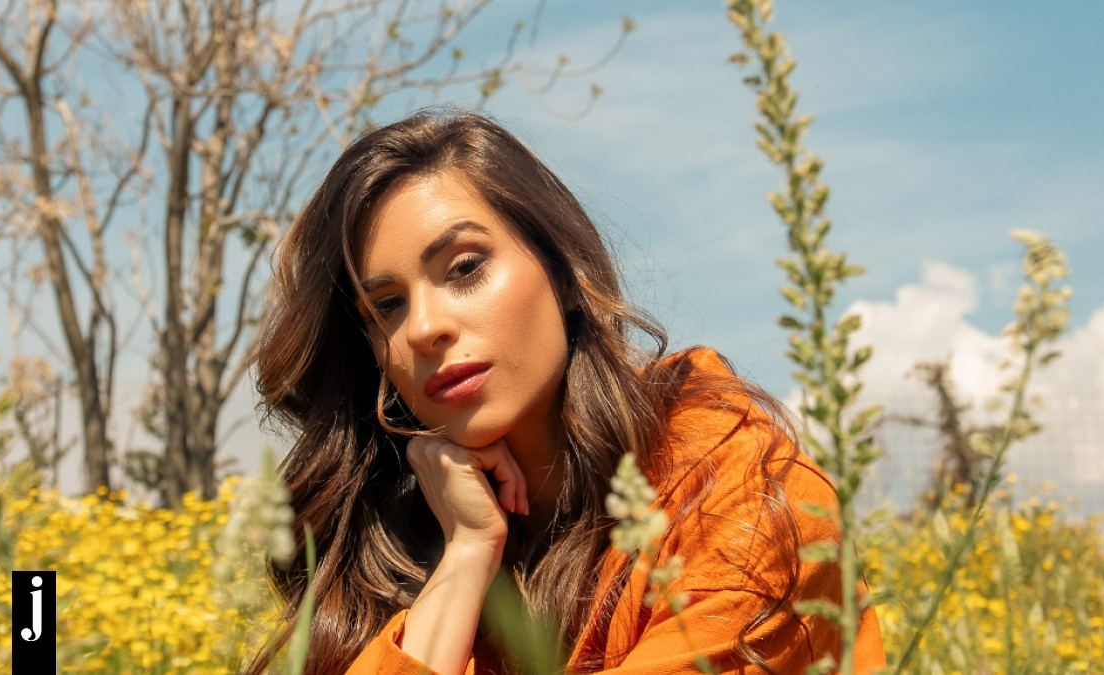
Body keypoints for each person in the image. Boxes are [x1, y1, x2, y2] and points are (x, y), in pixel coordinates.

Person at [248, 110, 885, 675]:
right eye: (386, 306)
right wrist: (466, 555)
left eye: (465, 268)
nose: (422, 329)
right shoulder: (409, 552)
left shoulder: (740, 490)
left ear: (566, 271)